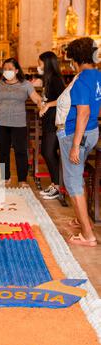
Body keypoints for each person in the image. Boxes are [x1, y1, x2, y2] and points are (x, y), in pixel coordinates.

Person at [56, 37, 101, 246]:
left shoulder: (82, 79)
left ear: (76, 57)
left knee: (73, 182)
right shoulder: (97, 76)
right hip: (91, 132)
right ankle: (82, 220)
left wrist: (75, 144)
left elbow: (83, 112)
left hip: (77, 134)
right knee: (77, 176)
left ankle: (87, 235)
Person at [0, 58, 41, 187]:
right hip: (1, 122)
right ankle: (5, 178)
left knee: (20, 151)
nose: (7, 71)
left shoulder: (25, 84)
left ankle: (22, 180)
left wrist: (41, 104)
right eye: (5, 69)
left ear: (16, 70)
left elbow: (36, 98)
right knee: (3, 151)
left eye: (10, 69)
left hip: (18, 123)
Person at [37, 51, 65, 200]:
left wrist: (47, 105)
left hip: (55, 121)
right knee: (46, 152)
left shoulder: (55, 79)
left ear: (47, 64)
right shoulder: (48, 79)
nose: (38, 66)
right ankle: (55, 183)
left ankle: (58, 186)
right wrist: (43, 104)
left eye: (40, 63)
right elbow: (48, 98)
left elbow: (63, 99)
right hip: (48, 120)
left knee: (49, 152)